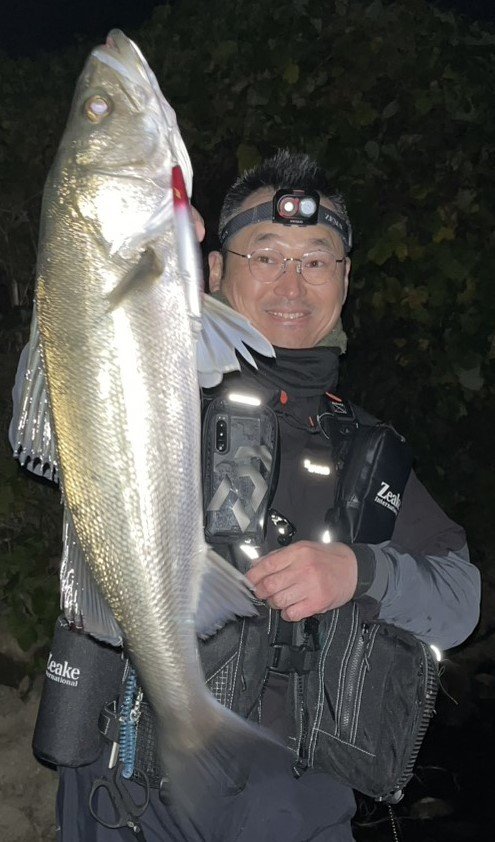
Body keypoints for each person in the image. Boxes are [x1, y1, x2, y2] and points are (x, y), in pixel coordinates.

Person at [11, 150, 480, 842]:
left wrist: (359, 571)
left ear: (345, 280)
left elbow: (462, 601)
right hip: (127, 796)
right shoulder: (158, 386)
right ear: (214, 270)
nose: (293, 283)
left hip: (292, 807)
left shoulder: (365, 447)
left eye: (316, 260)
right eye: (265, 256)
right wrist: (114, 262)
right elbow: (57, 406)